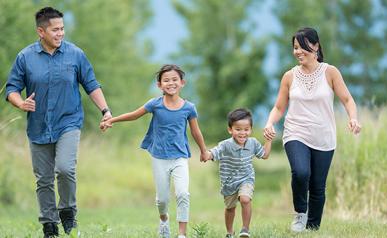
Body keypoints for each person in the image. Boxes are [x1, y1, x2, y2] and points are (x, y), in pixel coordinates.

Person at [5, 7, 112, 238]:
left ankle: (68, 211)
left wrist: (105, 110)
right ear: (40, 31)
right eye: (55, 30)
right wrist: (20, 103)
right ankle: (49, 225)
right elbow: (12, 88)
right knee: (43, 179)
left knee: (65, 169)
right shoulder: (25, 57)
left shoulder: (75, 55)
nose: (61, 33)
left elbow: (91, 84)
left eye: (62, 28)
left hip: (69, 122)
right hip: (38, 125)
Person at [263, 27, 362, 232]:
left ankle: (312, 228)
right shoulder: (289, 76)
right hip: (295, 132)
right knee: (300, 173)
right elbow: (279, 107)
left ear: (316, 46)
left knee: (317, 186)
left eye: (302, 47)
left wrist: (353, 118)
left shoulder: (330, 72)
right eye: (295, 48)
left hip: (324, 136)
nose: (298, 51)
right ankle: (300, 214)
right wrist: (270, 123)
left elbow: (347, 99)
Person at [100, 64, 208, 238]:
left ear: (182, 83)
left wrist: (203, 151)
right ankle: (164, 221)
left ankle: (182, 234)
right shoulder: (155, 104)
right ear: (159, 85)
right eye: (166, 80)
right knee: (162, 199)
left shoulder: (189, 107)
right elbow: (135, 114)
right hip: (159, 157)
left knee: (183, 193)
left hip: (180, 157)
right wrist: (112, 120)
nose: (170, 83)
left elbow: (196, 131)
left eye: (174, 80)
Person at [203, 108, 271, 238]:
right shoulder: (225, 145)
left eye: (246, 129)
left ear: (250, 129)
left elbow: (265, 155)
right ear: (230, 130)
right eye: (238, 129)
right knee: (230, 208)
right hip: (228, 183)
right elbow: (215, 152)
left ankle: (245, 229)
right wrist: (207, 154)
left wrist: (268, 140)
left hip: (246, 179)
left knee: (245, 199)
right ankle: (229, 232)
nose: (242, 133)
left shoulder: (253, 143)